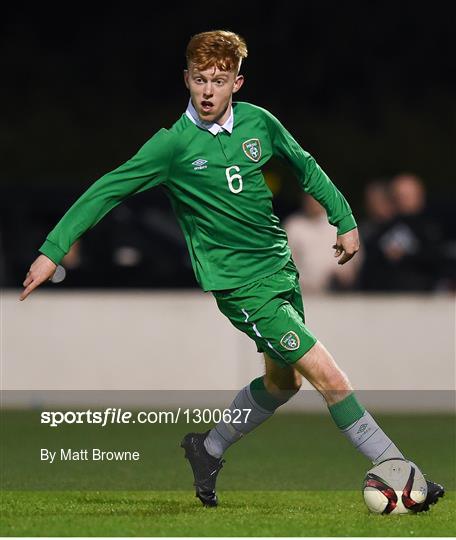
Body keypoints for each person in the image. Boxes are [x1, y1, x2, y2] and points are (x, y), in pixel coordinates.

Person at [20, 30, 444, 510]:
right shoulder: (172, 147)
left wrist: (343, 218)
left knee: (286, 384)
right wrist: (53, 250)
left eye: (218, 81)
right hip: (241, 287)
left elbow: (305, 167)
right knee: (332, 379)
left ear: (237, 83)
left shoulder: (260, 123)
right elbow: (107, 190)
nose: (207, 90)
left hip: (281, 272)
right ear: (186, 78)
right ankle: (404, 475)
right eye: (199, 79)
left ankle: (209, 447)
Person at [284, 193, 361, 293]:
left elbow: (355, 258)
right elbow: (286, 262)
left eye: (317, 199)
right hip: (306, 293)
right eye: (310, 199)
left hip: (339, 294)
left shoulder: (341, 224)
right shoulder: (293, 226)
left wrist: (345, 274)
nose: (313, 203)